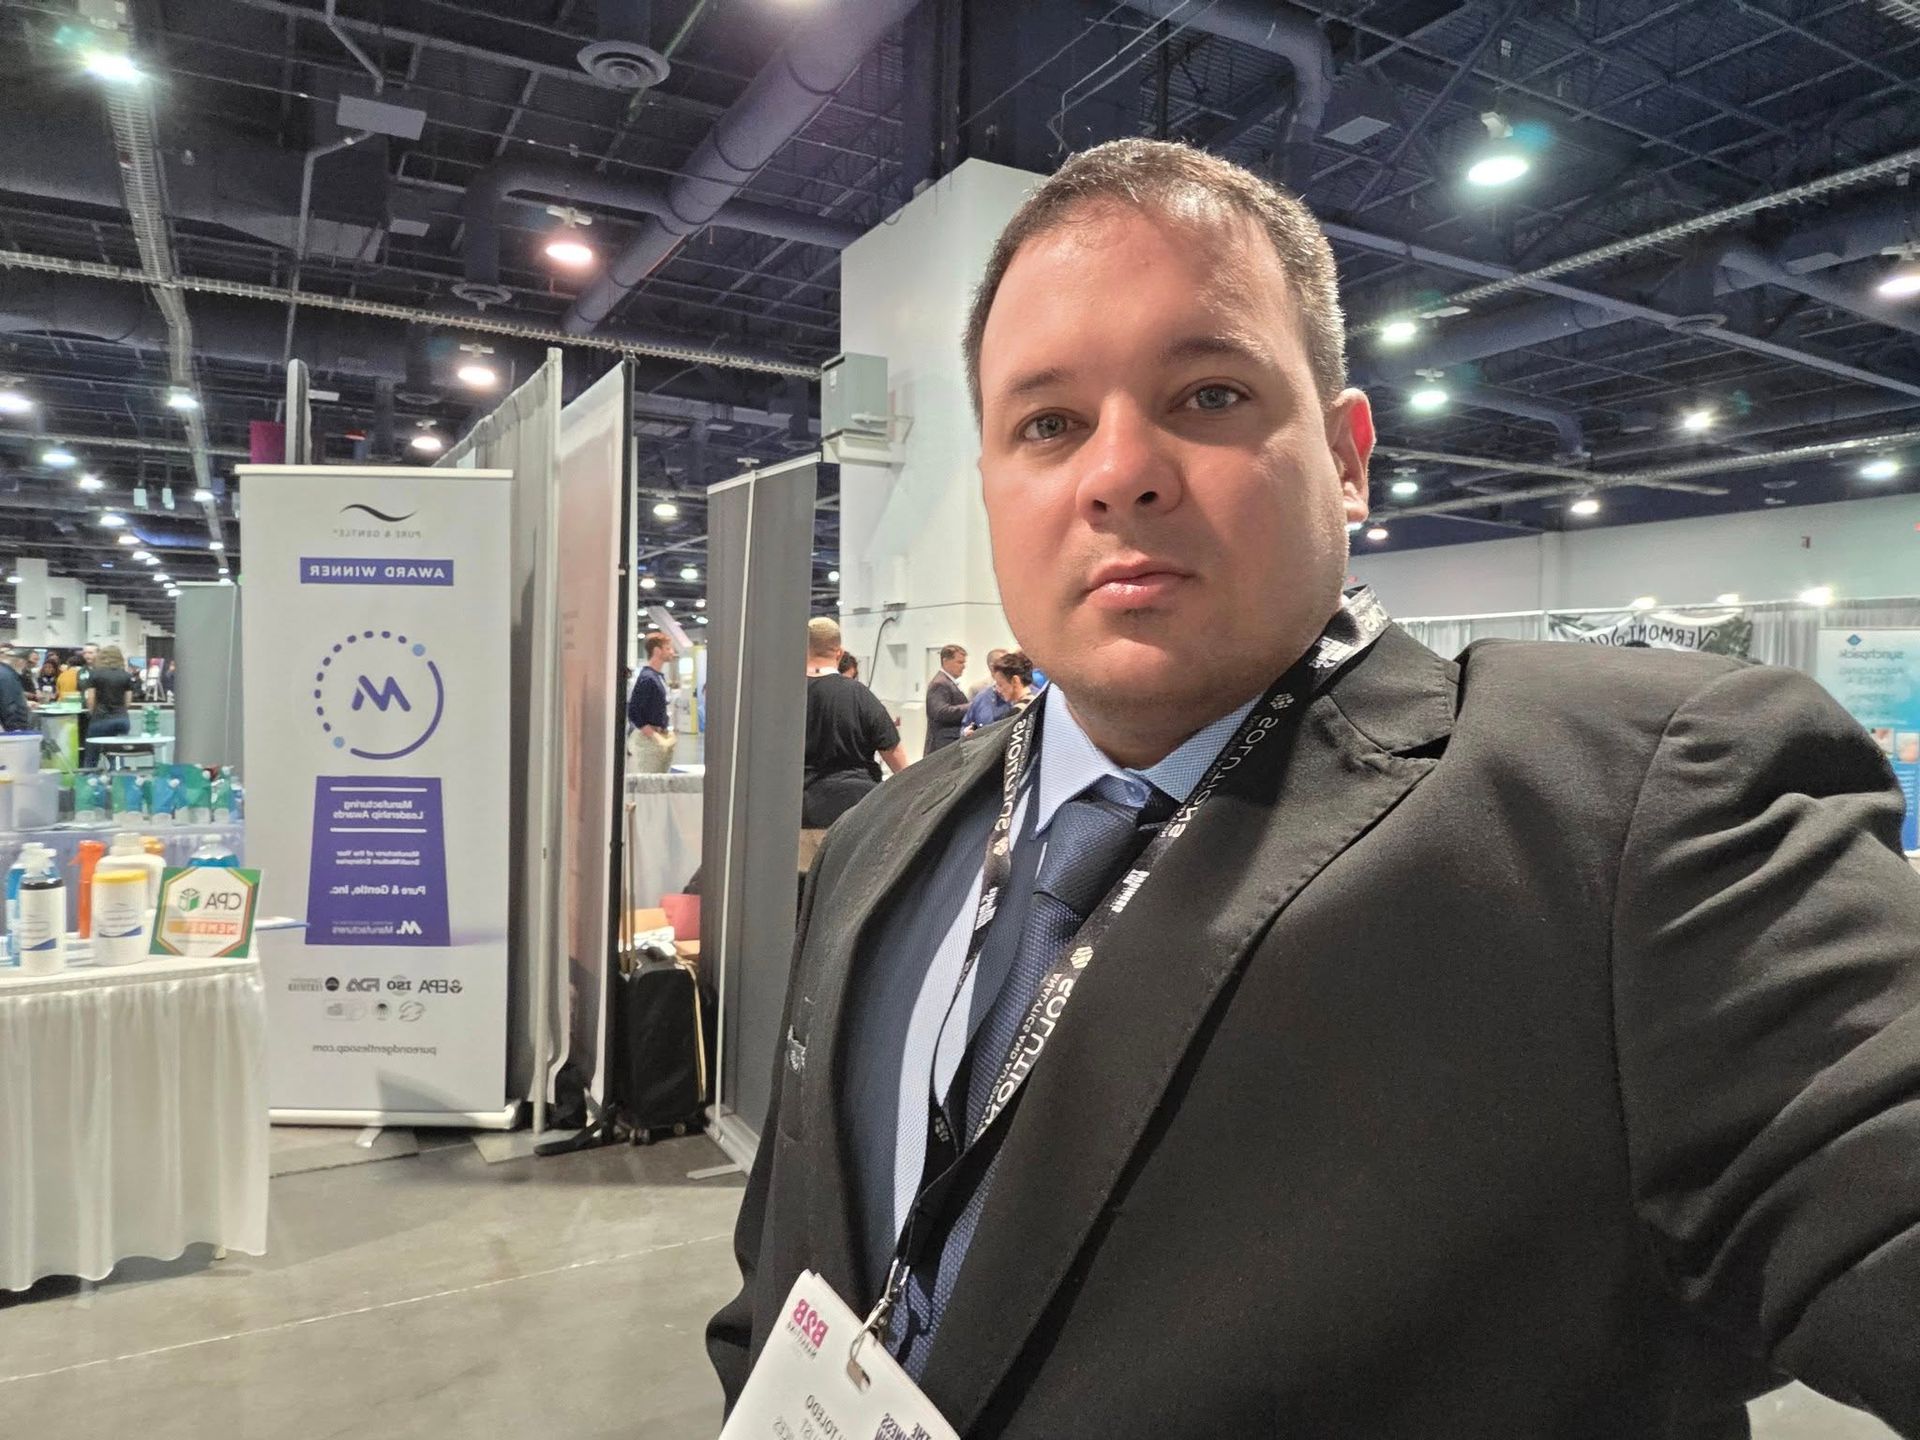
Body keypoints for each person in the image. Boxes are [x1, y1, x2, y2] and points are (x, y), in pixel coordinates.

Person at [708, 139, 1920, 1436]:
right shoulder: (883, 847)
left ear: (1347, 458)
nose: (1120, 469)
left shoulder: (1626, 825)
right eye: (1048, 422)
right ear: (998, 483)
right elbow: (788, 1287)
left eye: (1211, 394)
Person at [802, 617, 907, 828]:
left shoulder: (785, 697)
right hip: (856, 812)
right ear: (839, 653)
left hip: (801, 810)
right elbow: (897, 758)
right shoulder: (859, 695)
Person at [626, 631, 675, 774]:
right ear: (657, 651)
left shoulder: (658, 677)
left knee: (660, 784)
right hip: (649, 740)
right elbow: (634, 712)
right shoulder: (647, 679)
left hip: (661, 735)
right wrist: (654, 736)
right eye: (667, 648)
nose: (672, 652)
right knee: (649, 786)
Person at [82, 643, 134, 766]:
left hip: (101, 718)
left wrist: (92, 713)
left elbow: (90, 700)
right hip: (122, 719)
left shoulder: (95, 674)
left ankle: (89, 779)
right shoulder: (126, 676)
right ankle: (118, 779)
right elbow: (128, 702)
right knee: (117, 753)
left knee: (92, 754)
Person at [922, 643, 969, 756]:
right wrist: (971, 707)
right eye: (960, 662)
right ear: (945, 661)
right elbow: (940, 712)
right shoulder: (939, 684)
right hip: (941, 748)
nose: (964, 666)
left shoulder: (947, 683)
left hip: (948, 746)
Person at [962, 647, 1014, 735]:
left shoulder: (1024, 695)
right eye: (1005, 663)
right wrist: (966, 732)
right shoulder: (981, 695)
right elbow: (967, 724)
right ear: (992, 667)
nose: (1009, 667)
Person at [986, 649, 1037, 716]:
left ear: (1015, 681)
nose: (998, 690)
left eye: (1000, 685)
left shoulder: (1017, 713)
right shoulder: (1037, 700)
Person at [0, 646, 33, 731]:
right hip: (10, 729)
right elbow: (10, 705)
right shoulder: (8, 677)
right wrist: (16, 729)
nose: (26, 667)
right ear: (21, 661)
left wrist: (25, 703)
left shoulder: (5, 673)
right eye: (26, 663)